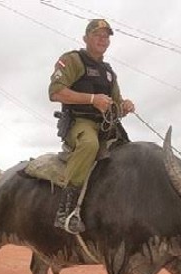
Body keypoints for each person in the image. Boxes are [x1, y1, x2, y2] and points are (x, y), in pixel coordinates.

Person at [49, 19, 135, 234]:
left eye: (106, 36)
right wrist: (92, 99)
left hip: (106, 127)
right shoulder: (72, 60)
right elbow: (55, 92)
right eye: (97, 35)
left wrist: (124, 106)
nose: (102, 40)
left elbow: (115, 105)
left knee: (132, 153)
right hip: (80, 123)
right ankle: (66, 211)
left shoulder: (109, 72)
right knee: (89, 144)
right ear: (85, 38)